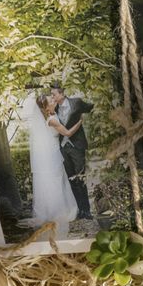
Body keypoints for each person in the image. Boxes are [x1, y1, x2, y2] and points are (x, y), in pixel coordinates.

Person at [24, 94, 83, 237]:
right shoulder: (51, 120)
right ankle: (56, 211)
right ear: (45, 107)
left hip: (53, 152)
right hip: (50, 156)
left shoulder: (52, 114)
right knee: (54, 182)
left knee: (58, 181)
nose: (53, 100)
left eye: (52, 98)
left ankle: (57, 209)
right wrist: (80, 122)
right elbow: (67, 132)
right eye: (50, 100)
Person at [51, 82, 94, 219]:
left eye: (54, 94)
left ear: (62, 93)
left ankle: (87, 211)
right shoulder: (54, 109)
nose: (52, 97)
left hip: (77, 146)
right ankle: (80, 210)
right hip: (64, 148)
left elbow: (90, 107)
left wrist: (83, 118)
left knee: (80, 177)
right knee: (71, 180)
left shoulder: (77, 102)